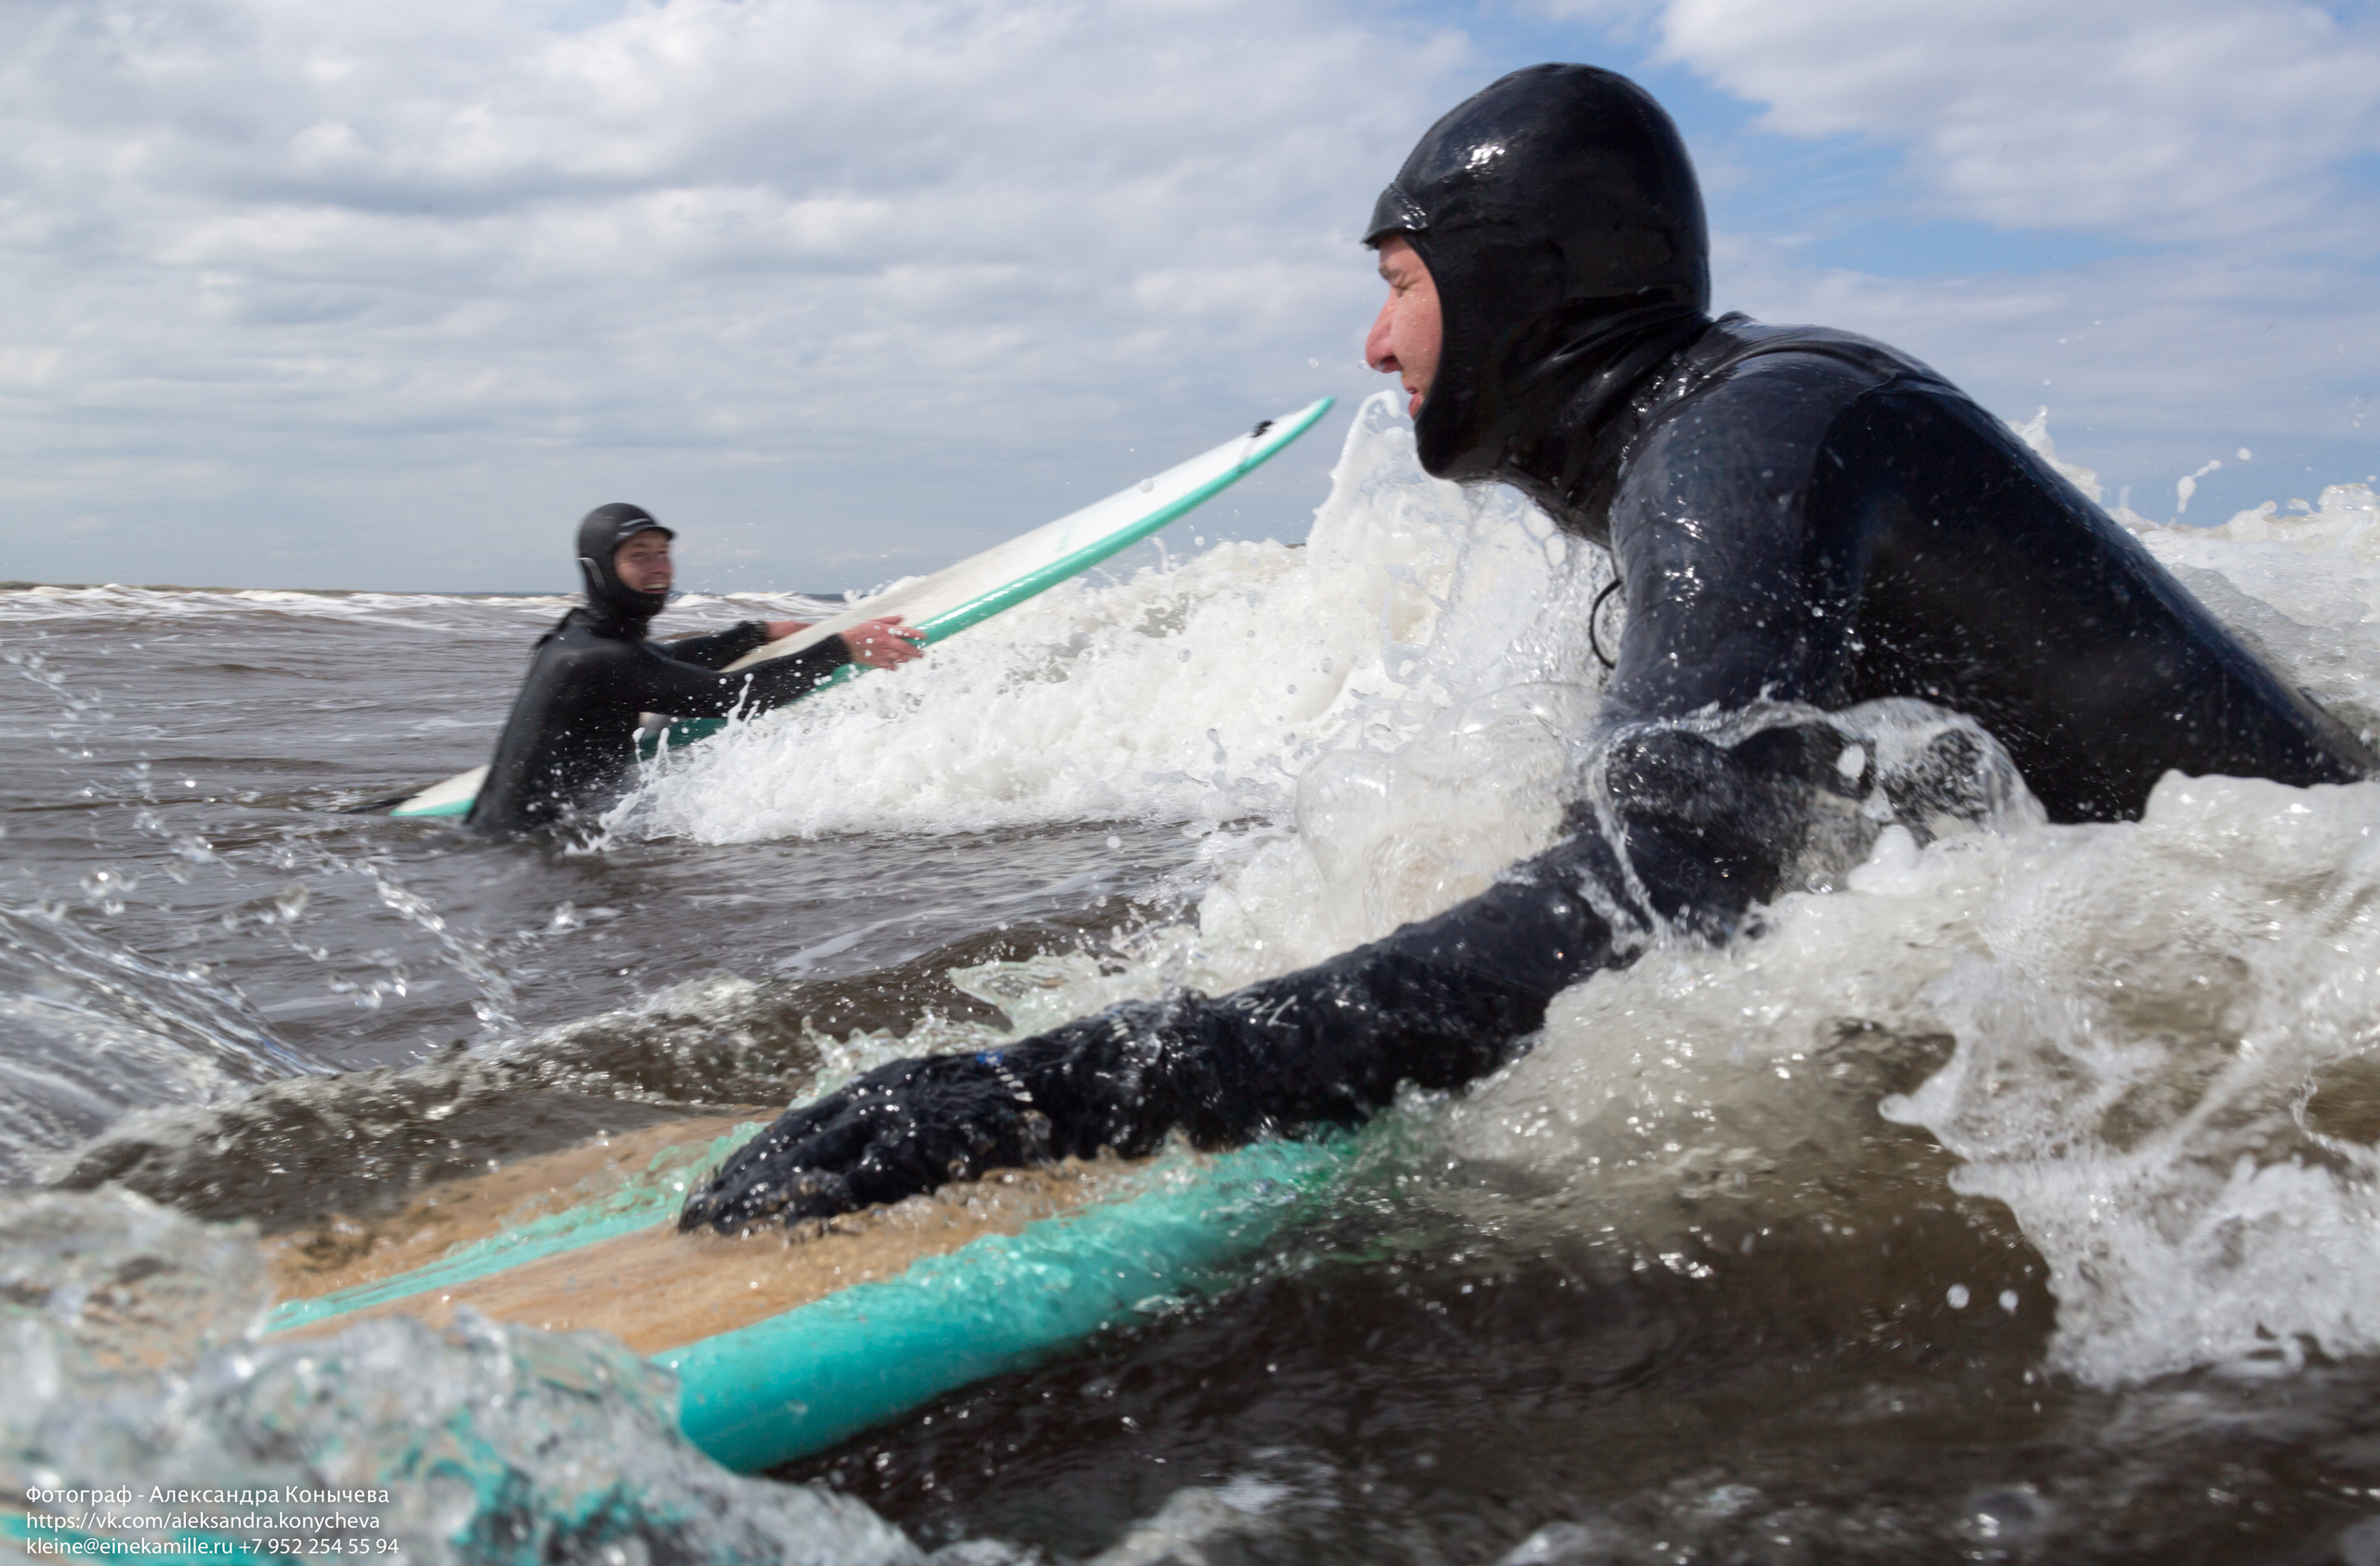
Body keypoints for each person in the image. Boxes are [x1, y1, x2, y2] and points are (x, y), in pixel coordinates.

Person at [679, 64, 2373, 1232]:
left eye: (1399, 281)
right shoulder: (1713, 438)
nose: (1372, 337)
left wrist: (1071, 1086)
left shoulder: (1748, 442)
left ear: (1514, 283)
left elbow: (1652, 897)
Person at [467, 502, 923, 834]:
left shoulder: (578, 638)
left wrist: (754, 633)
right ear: (599, 568)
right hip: (525, 853)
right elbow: (733, 696)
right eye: (638, 556)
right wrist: (841, 648)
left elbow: (663, 660)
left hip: (526, 841)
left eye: (662, 553)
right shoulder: (595, 657)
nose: (659, 567)